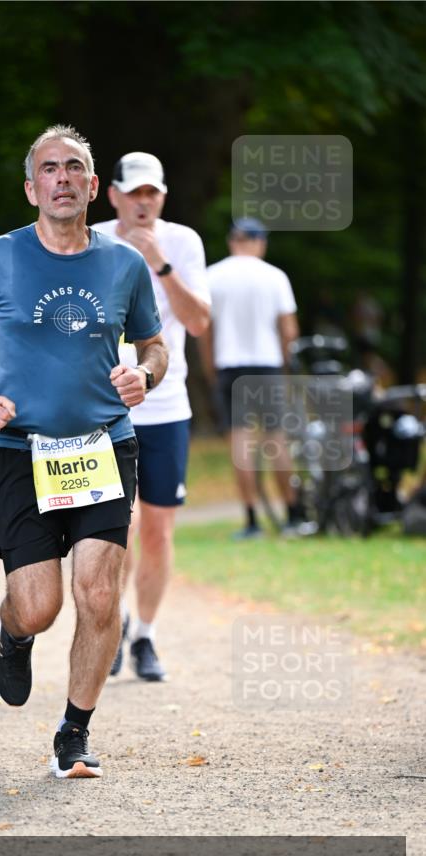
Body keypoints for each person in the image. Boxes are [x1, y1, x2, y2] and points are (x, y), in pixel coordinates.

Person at [0, 125, 167, 778]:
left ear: (94, 187)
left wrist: (143, 376)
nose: (61, 178)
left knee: (97, 593)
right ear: (31, 186)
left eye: (74, 168)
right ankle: (13, 632)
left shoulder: (123, 264)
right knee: (39, 605)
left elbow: (155, 346)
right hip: (20, 452)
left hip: (103, 446)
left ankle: (74, 731)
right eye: (49, 169)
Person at [94, 153, 210, 681]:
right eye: (134, 193)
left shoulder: (182, 242)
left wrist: (159, 262)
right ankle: (112, 626)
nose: (144, 202)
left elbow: (200, 322)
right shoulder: (89, 239)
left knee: (158, 530)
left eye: (153, 194)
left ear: (162, 197)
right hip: (101, 408)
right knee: (117, 527)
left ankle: (145, 634)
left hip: (166, 406)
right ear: (113, 194)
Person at [202, 217, 301, 539]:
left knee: (240, 442)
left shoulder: (212, 276)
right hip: (267, 366)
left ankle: (251, 520)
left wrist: (211, 368)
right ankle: (292, 515)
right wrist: (286, 366)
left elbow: (205, 331)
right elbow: (289, 330)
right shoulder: (274, 277)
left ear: (233, 241)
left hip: (229, 366)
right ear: (259, 241)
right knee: (276, 439)